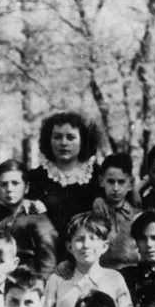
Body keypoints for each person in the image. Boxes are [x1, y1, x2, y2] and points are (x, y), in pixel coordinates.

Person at [40, 212, 136, 307]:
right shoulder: (58, 280)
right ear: (69, 246)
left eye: (93, 238)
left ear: (105, 246)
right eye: (79, 239)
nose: (86, 245)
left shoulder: (114, 279)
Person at [27, 111, 103, 260]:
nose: (63, 143)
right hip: (46, 259)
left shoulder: (97, 175)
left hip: (88, 257)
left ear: (84, 140)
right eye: (57, 137)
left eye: (71, 137)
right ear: (48, 140)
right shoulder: (35, 177)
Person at [0, 159, 57, 280]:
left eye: (15, 183)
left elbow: (48, 266)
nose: (9, 188)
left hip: (27, 288)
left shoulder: (38, 220)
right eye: (3, 184)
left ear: (26, 188)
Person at [93, 152, 141, 270]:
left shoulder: (140, 216)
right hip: (102, 279)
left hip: (135, 277)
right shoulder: (92, 217)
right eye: (110, 181)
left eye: (121, 182)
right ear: (101, 181)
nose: (115, 188)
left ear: (131, 184)